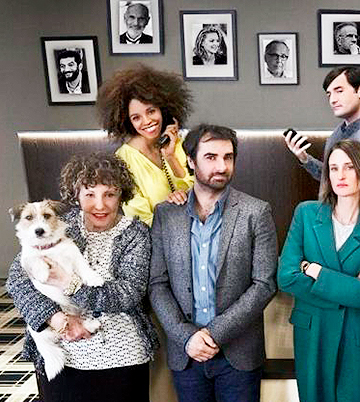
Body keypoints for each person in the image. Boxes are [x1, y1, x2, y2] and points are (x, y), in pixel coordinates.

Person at [7, 152, 159, 402]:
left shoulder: (135, 234)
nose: (100, 205)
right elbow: (17, 280)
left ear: (122, 195)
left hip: (122, 355)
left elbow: (128, 294)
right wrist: (55, 318)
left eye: (109, 194)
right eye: (89, 195)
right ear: (75, 195)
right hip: (64, 353)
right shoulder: (56, 224)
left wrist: (70, 284)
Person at [149, 124, 278, 402]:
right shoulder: (166, 214)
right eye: (211, 157)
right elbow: (157, 284)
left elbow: (264, 284)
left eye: (228, 157)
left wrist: (214, 334)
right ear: (191, 161)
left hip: (239, 354)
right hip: (187, 354)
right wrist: (187, 337)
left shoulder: (256, 212)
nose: (221, 166)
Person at [278, 139, 360, 402]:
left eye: (349, 167)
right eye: (333, 168)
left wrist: (315, 271)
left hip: (359, 337)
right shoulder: (306, 214)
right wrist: (353, 283)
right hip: (314, 333)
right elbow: (286, 277)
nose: (340, 175)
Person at [97, 64, 194, 226]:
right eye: (136, 117)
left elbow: (198, 192)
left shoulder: (177, 143)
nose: (147, 121)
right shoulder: (123, 159)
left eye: (151, 111)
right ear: (127, 121)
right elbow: (140, 218)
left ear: (162, 109)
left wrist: (171, 157)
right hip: (157, 235)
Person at [284, 66, 360, 181]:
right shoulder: (340, 131)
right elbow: (331, 180)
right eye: (329, 95)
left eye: (339, 91)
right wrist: (305, 158)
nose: (332, 100)